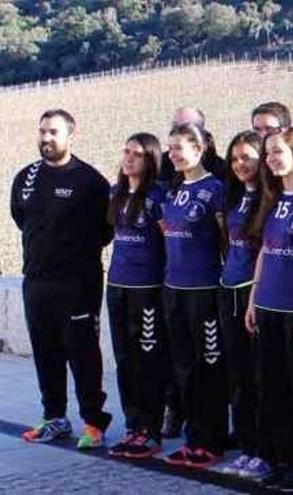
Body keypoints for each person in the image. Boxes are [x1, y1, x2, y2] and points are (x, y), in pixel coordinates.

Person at [12, 109, 113, 448]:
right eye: (42, 131)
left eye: (53, 132)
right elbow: (22, 219)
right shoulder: (25, 178)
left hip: (78, 284)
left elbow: (105, 231)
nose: (46, 138)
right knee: (46, 353)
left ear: (72, 135)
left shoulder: (90, 182)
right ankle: (54, 418)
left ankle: (93, 423)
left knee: (83, 354)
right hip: (36, 283)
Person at [243, 128, 293, 491]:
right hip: (268, 304)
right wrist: (253, 298)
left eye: (278, 152)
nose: (272, 159)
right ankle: (277, 457)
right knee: (270, 386)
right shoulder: (271, 198)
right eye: (268, 153)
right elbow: (265, 250)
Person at [161, 123, 228, 468]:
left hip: (205, 291)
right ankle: (194, 436)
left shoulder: (215, 189)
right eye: (169, 148)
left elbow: (225, 240)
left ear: (199, 150)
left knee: (209, 367)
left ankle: (214, 440)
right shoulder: (173, 190)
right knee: (184, 367)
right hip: (174, 289)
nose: (171, 154)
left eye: (178, 148)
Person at [105, 133, 168, 459]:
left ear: (150, 160)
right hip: (117, 285)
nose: (129, 158)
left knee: (148, 360)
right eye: (126, 151)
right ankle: (133, 426)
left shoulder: (158, 197)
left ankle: (151, 429)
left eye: (137, 154)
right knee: (125, 360)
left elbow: (171, 243)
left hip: (147, 289)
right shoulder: (114, 193)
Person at [218, 131, 263, 476]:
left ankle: (265, 448)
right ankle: (247, 446)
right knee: (237, 376)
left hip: (255, 292)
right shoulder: (231, 196)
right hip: (229, 288)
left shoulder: (270, 198)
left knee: (260, 376)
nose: (240, 164)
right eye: (235, 159)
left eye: (247, 157)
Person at [156, 107, 227, 188]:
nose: (178, 131)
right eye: (175, 126)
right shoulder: (162, 163)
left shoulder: (220, 170)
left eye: (186, 127)